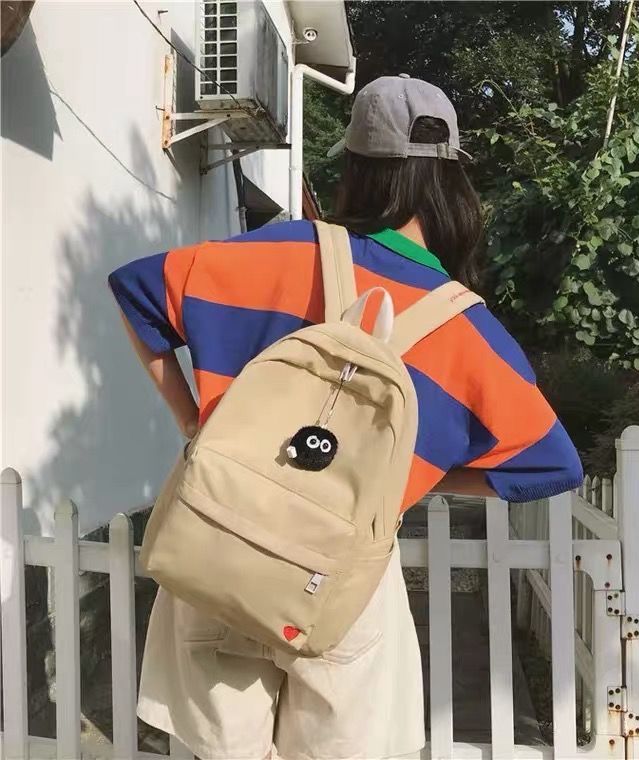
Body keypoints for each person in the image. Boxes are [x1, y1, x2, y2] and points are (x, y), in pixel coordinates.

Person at [109, 74, 583, 760]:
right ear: (453, 183)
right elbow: (552, 465)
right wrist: (399, 482)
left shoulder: (280, 251)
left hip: (219, 544)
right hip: (338, 583)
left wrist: (194, 426)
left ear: (359, 169)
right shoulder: (469, 330)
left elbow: (135, 291)